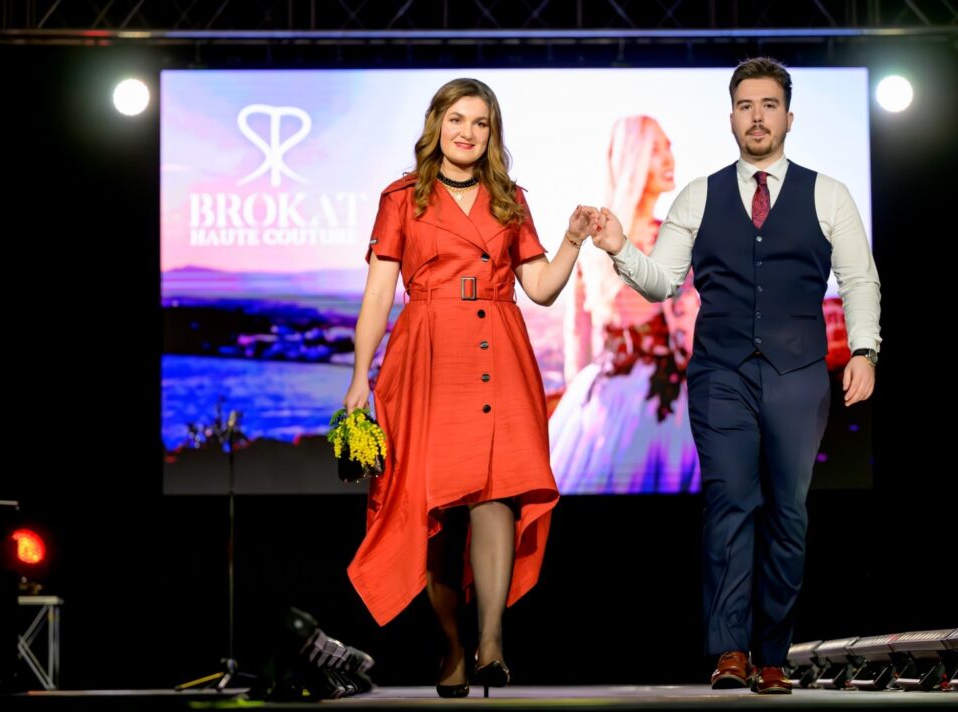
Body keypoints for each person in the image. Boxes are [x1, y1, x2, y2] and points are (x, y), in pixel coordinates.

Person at [592, 57, 881, 694]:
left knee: (788, 513)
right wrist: (620, 247)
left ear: (788, 117)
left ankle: (773, 656)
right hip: (720, 372)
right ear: (730, 117)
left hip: (798, 372)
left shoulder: (828, 194)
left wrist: (864, 350)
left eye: (769, 105)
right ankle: (730, 651)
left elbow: (859, 279)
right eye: (746, 105)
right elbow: (663, 282)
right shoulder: (699, 195)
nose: (757, 117)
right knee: (730, 501)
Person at [343, 77, 598, 698]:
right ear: (437, 124)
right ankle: (454, 646)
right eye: (457, 119)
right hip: (429, 355)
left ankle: (491, 641)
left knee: (498, 495)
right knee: (433, 507)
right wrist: (358, 376)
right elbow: (378, 294)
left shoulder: (510, 199)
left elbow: (540, 289)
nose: (468, 132)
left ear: (492, 133)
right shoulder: (401, 198)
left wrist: (572, 239)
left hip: (500, 351)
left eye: (480, 123)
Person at [550, 115, 699, 493]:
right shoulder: (669, 239)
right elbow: (579, 335)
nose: (669, 157)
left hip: (616, 399)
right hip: (647, 405)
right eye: (656, 149)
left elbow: (580, 344)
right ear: (634, 158)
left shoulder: (598, 242)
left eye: (669, 147)